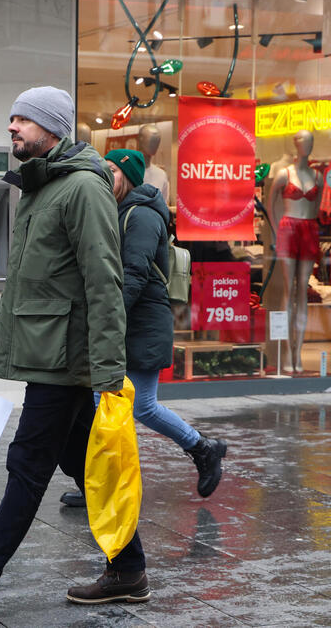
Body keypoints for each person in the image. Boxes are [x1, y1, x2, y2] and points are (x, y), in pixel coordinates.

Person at [0, 87, 147, 623]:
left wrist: (109, 373)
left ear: (53, 128)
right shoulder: (42, 188)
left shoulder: (83, 189)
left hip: (67, 362)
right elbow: (24, 285)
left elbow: (104, 283)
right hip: (47, 350)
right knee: (79, 462)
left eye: (24, 119)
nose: (12, 127)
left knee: (27, 467)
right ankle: (128, 570)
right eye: (11, 118)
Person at [59, 149, 227, 509]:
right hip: (126, 325)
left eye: (114, 170)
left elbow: (132, 275)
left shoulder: (142, 217)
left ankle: (197, 450)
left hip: (139, 326)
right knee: (127, 408)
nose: (107, 174)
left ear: (130, 177)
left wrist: (107, 321)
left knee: (129, 407)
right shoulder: (116, 211)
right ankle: (197, 449)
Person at [270, 130, 322, 373]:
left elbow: (318, 206)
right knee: (289, 290)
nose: (307, 144)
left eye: (310, 140)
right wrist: (274, 233)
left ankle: (298, 352)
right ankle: (286, 355)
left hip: (309, 228)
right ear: (294, 142)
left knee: (303, 290)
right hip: (288, 228)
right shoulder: (283, 174)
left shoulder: (318, 177)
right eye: (302, 140)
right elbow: (270, 206)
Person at [138, 123, 170, 202]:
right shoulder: (126, 171)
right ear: (140, 140)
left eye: (157, 140)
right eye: (152, 140)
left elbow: (164, 205)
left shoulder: (161, 175)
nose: (154, 144)